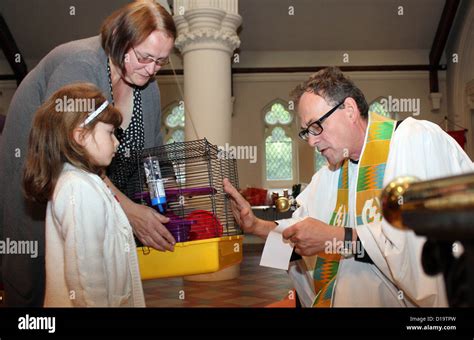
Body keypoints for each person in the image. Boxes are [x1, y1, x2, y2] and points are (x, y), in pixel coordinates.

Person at [224, 67, 474, 307]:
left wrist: (335, 238)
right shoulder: (328, 176)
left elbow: (422, 247)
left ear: (350, 110)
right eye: (306, 132)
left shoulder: (415, 141)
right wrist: (255, 226)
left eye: (316, 126)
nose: (311, 140)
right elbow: (299, 237)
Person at [0, 0, 175, 306]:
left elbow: (154, 152)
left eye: (160, 61)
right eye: (145, 57)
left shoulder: (148, 85)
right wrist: (130, 212)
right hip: (42, 182)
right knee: (38, 277)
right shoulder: (79, 64)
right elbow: (71, 150)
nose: (151, 70)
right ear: (120, 41)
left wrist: (171, 195)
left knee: (100, 270)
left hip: (103, 193)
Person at [23, 83, 145, 307]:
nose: (117, 143)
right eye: (110, 133)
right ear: (80, 136)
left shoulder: (87, 182)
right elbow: (86, 279)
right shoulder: (77, 188)